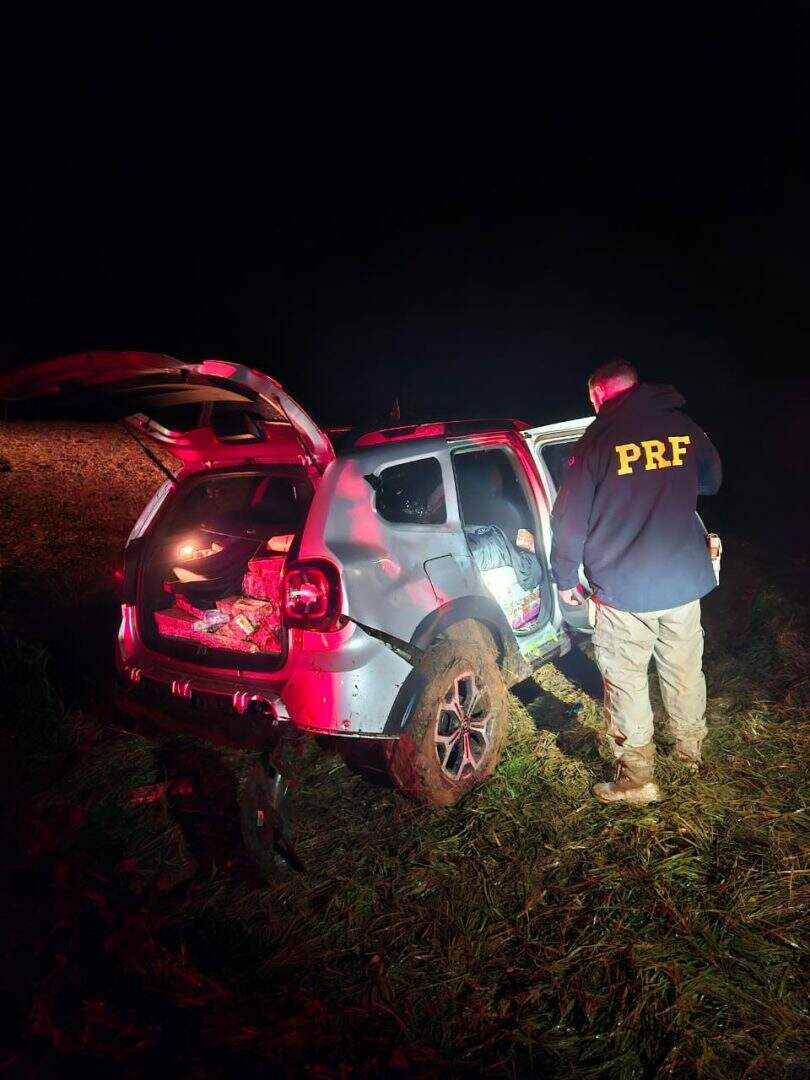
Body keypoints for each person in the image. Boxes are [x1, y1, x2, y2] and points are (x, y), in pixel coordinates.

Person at [550, 360, 722, 804]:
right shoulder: (682, 426)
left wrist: (565, 577)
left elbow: (569, 522)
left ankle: (637, 779)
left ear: (598, 396)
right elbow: (711, 480)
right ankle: (689, 753)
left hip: (624, 592)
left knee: (627, 682)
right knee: (684, 671)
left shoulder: (595, 442)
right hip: (682, 583)